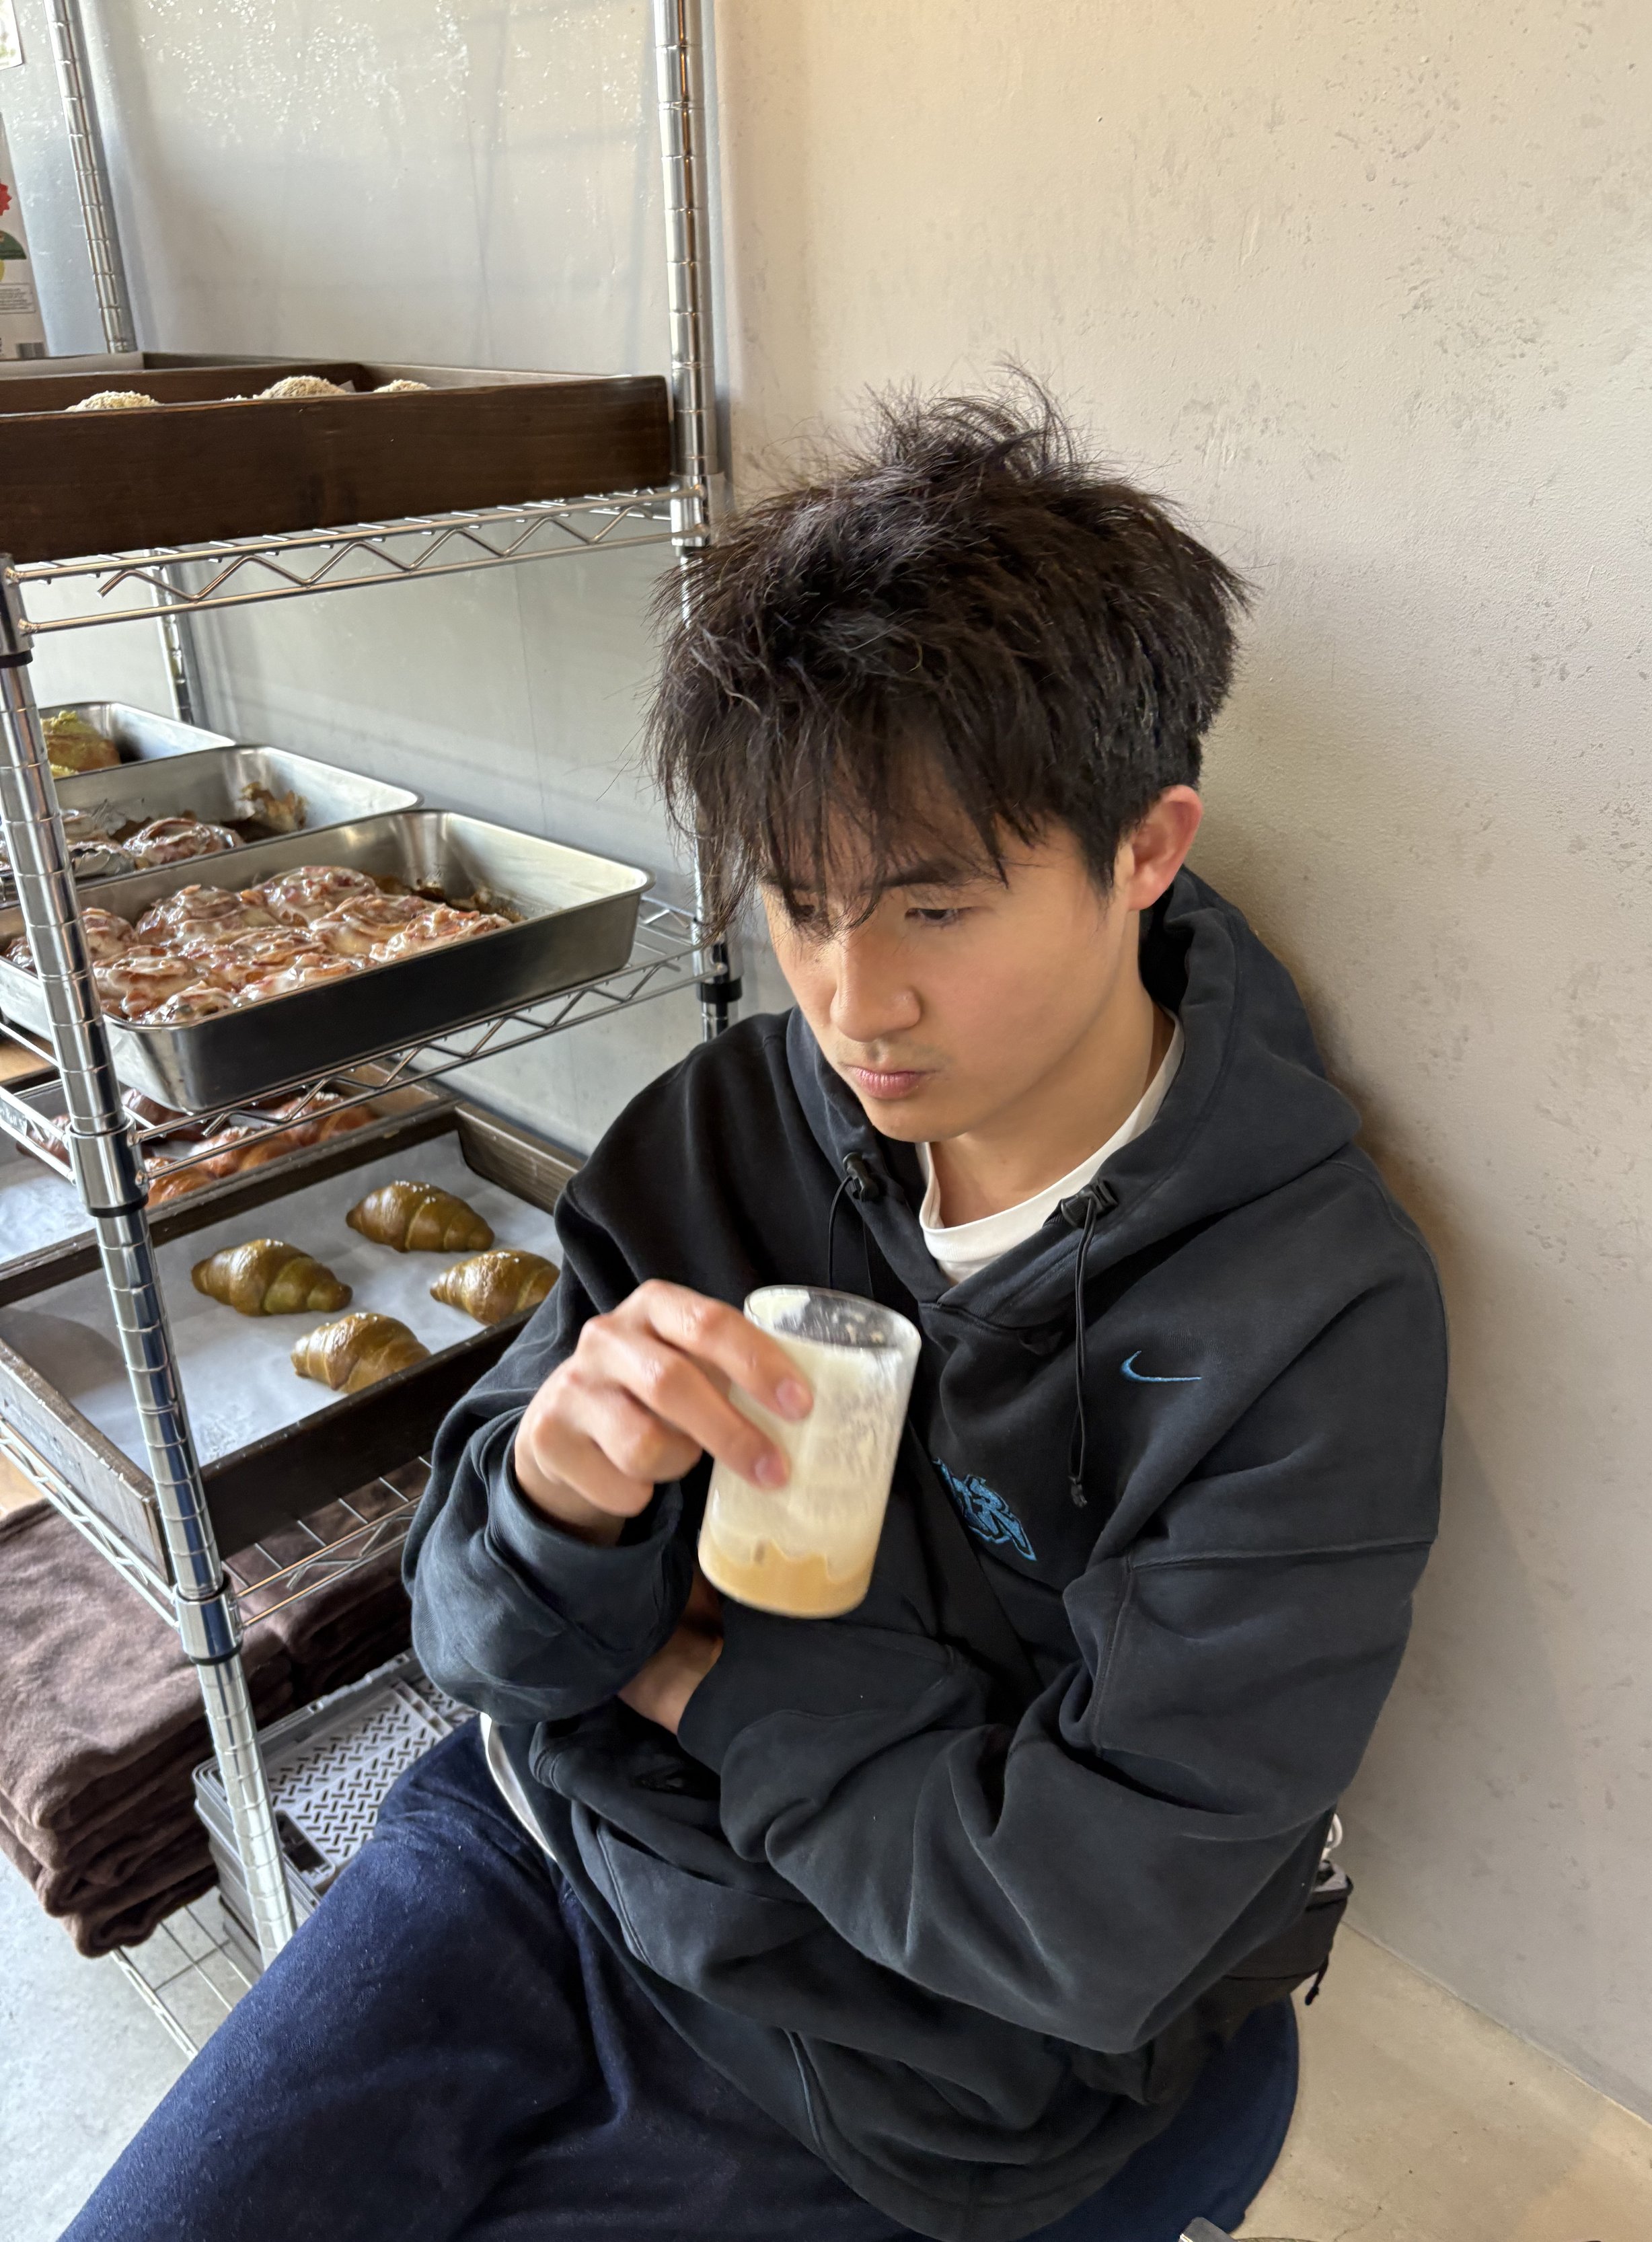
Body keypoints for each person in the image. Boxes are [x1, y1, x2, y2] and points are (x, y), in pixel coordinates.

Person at [65, 385, 1446, 2242]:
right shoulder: (726, 1132)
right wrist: (551, 1501)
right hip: (539, 1855)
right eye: (800, 905)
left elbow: (1085, 1916)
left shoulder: (1300, 1324)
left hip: (892, 2062)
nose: (852, 1001)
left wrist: (700, 1680)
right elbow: (482, 1651)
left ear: (1144, 847)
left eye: (933, 909)